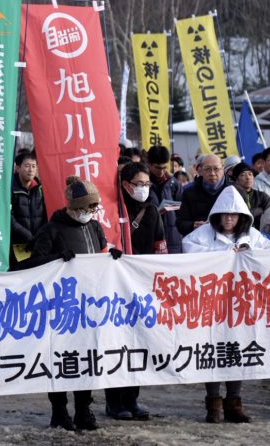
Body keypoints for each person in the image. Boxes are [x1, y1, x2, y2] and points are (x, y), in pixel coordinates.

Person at [31, 176, 121, 432]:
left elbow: (102, 254)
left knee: (86, 357)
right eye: (85, 208)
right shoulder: (52, 230)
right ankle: (59, 409)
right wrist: (57, 258)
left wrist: (112, 256)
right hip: (60, 306)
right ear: (72, 206)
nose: (90, 213)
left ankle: (84, 408)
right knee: (59, 357)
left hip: (90, 304)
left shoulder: (94, 227)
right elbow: (34, 264)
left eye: (93, 208)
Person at [183, 185, 270, 423]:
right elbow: (187, 248)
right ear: (217, 215)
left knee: (236, 349)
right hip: (211, 304)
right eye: (225, 214)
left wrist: (247, 252)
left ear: (242, 216)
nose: (229, 218)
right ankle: (213, 405)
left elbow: (268, 253)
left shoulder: (252, 236)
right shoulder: (203, 234)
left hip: (240, 305)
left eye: (234, 214)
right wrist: (220, 256)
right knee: (212, 350)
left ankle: (234, 402)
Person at [104, 162, 164, 421]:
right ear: (125, 184)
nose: (143, 189)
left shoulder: (151, 209)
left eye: (146, 184)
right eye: (138, 184)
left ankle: (132, 399)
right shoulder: (112, 208)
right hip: (114, 285)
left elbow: (160, 244)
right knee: (116, 343)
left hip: (141, 285)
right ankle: (114, 402)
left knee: (138, 342)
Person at [9, 151, 47, 267]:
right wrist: (28, 237)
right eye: (27, 166)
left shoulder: (41, 189)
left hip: (38, 244)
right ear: (17, 168)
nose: (31, 170)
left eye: (33, 166)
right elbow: (9, 218)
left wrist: (40, 238)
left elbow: (46, 215)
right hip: (16, 246)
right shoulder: (10, 188)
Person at [176, 154, 226, 237]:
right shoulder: (189, 193)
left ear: (223, 169)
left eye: (216, 169)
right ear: (201, 171)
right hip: (200, 242)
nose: (212, 173)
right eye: (207, 169)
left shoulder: (234, 190)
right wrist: (192, 225)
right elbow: (180, 223)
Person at [147, 146, 183, 253]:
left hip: (173, 239)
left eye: (164, 168)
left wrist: (169, 206)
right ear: (149, 164)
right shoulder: (142, 183)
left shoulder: (174, 183)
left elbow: (183, 207)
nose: (161, 172)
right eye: (158, 168)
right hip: (150, 238)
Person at [230, 162, 270, 229]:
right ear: (236, 179)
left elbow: (269, 213)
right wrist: (259, 210)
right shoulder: (233, 196)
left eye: (250, 174)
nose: (248, 177)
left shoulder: (262, 196)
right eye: (243, 175)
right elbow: (239, 217)